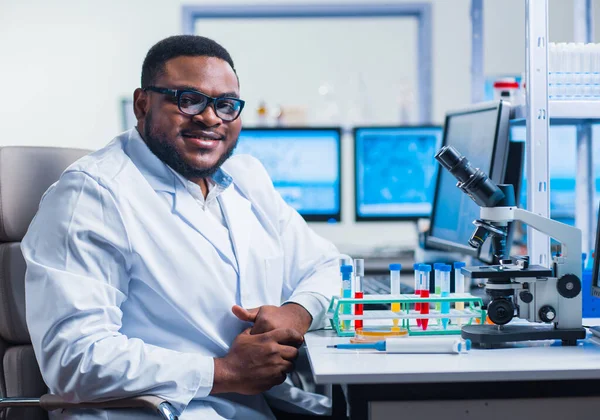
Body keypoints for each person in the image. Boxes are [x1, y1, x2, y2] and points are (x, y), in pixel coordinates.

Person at [22, 35, 342, 420]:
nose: (210, 118)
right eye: (188, 100)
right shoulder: (92, 196)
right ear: (143, 104)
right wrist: (223, 372)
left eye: (226, 105)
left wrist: (297, 311)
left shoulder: (246, 177)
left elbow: (330, 267)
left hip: (252, 406)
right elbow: (74, 359)